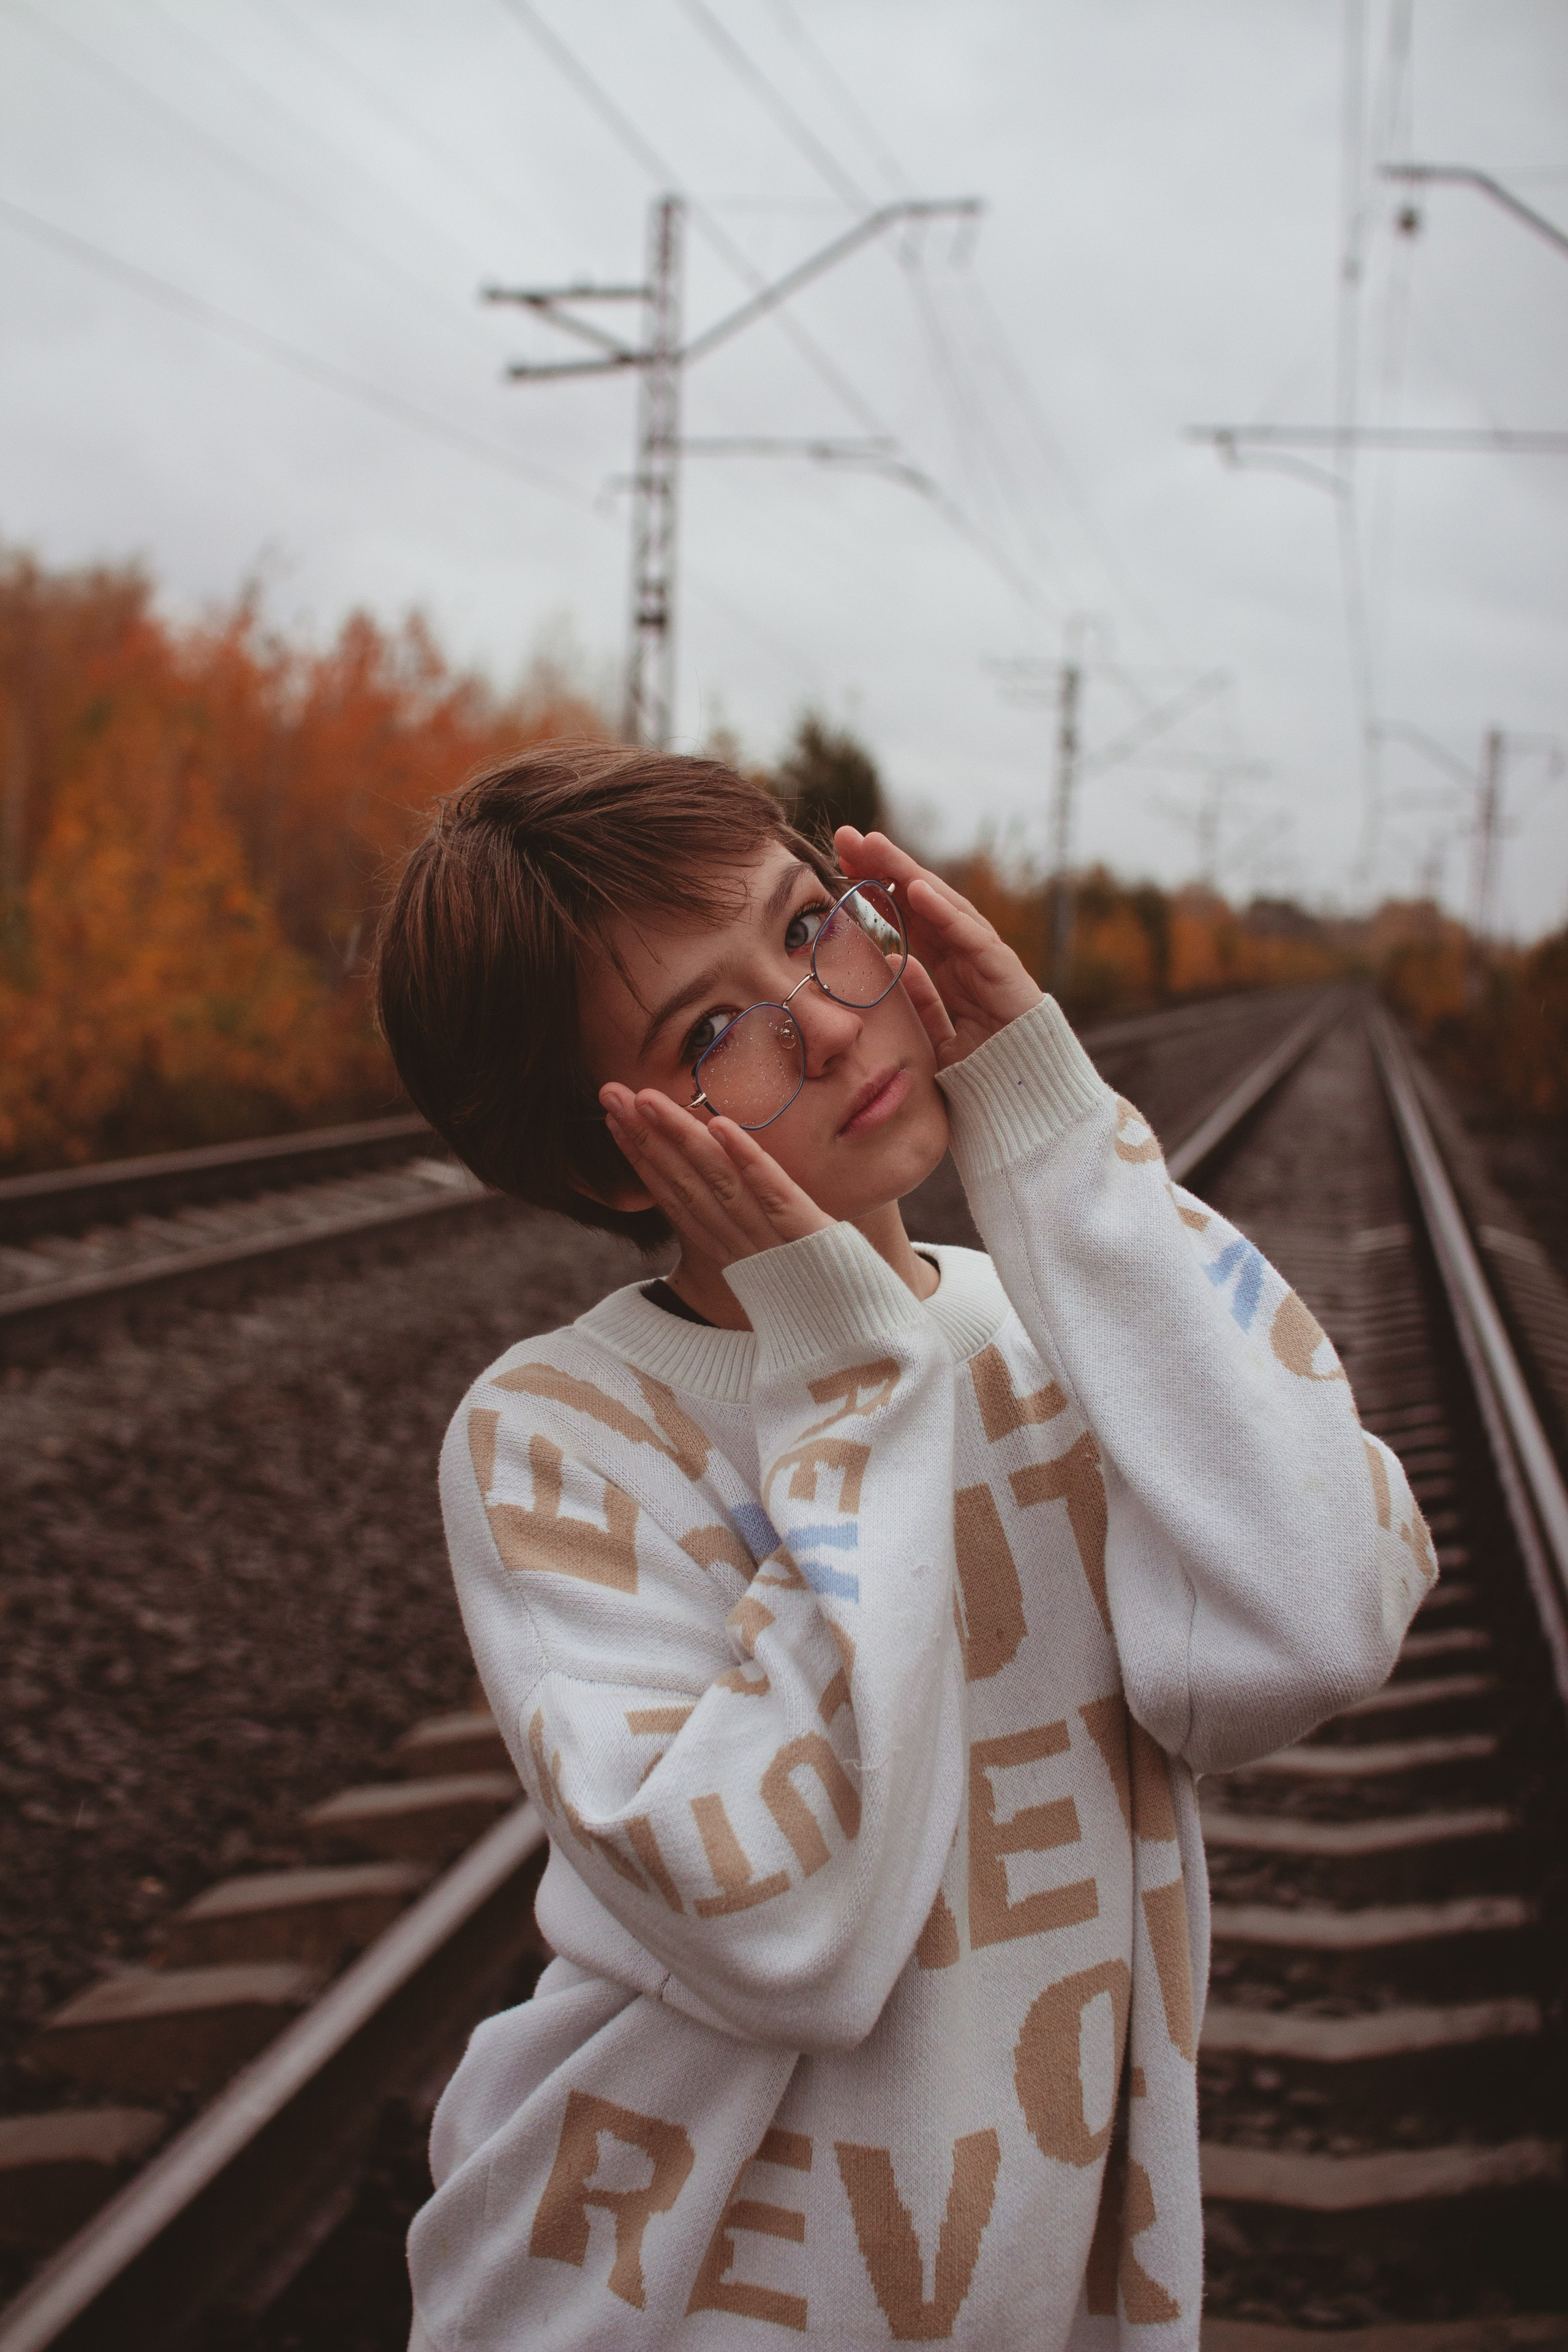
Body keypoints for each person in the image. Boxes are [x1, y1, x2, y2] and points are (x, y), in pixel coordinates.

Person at [374, 743, 1434, 2352]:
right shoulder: (560, 1435)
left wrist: (1055, 1126)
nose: (823, 1023)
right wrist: (856, 1370)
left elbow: (1324, 1618)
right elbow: (791, 1940)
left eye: (810, 927)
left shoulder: (1053, 1340)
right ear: (605, 1158)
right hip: (649, 2301)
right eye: (711, 1034)